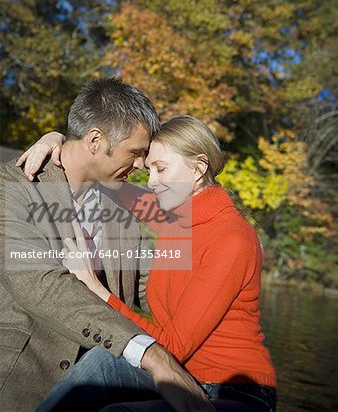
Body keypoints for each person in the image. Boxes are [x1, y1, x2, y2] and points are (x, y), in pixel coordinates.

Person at [20, 115, 277, 411]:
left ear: (198, 168)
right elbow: (105, 179)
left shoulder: (232, 239)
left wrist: (95, 287)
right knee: (101, 363)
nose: (151, 182)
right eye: (149, 168)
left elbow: (174, 345)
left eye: (161, 169)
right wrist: (58, 140)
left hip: (231, 391)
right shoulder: (173, 214)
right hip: (180, 371)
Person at [0, 77, 214, 412]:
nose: (142, 165)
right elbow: (42, 286)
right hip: (18, 391)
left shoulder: (121, 209)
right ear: (96, 140)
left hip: (100, 398)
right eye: (136, 153)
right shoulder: (12, 189)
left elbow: (157, 284)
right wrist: (151, 353)